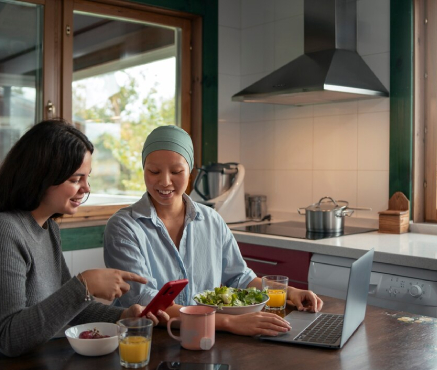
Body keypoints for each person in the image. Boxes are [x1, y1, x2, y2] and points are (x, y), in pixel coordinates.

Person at [0, 119, 168, 370]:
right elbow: (9, 337)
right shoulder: (0, 232)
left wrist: (122, 316)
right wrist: (85, 284)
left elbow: (67, 308)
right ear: (42, 176)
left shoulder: (47, 227)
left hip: (21, 356)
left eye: (87, 177)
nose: (86, 188)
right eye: (76, 179)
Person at [104, 125, 323, 337]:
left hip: (205, 338)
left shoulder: (211, 220)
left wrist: (289, 292)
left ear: (190, 171)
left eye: (176, 171)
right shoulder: (124, 227)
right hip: (150, 340)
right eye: (153, 171)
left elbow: (239, 277)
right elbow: (146, 303)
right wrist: (230, 322)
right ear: (143, 169)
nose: (165, 181)